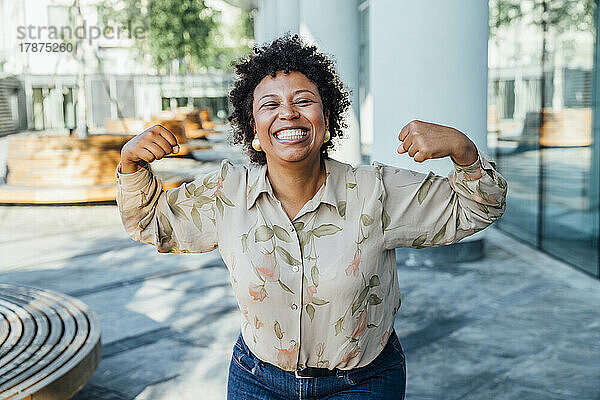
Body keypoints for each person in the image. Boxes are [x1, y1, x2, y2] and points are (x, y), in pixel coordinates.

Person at [115, 35, 507, 399]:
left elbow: (478, 206)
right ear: (254, 127)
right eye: (270, 105)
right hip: (256, 379)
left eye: (303, 101)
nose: (288, 113)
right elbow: (150, 223)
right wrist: (131, 163)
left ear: (326, 119)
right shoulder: (226, 194)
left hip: (362, 381)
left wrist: (464, 152)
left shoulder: (375, 192)